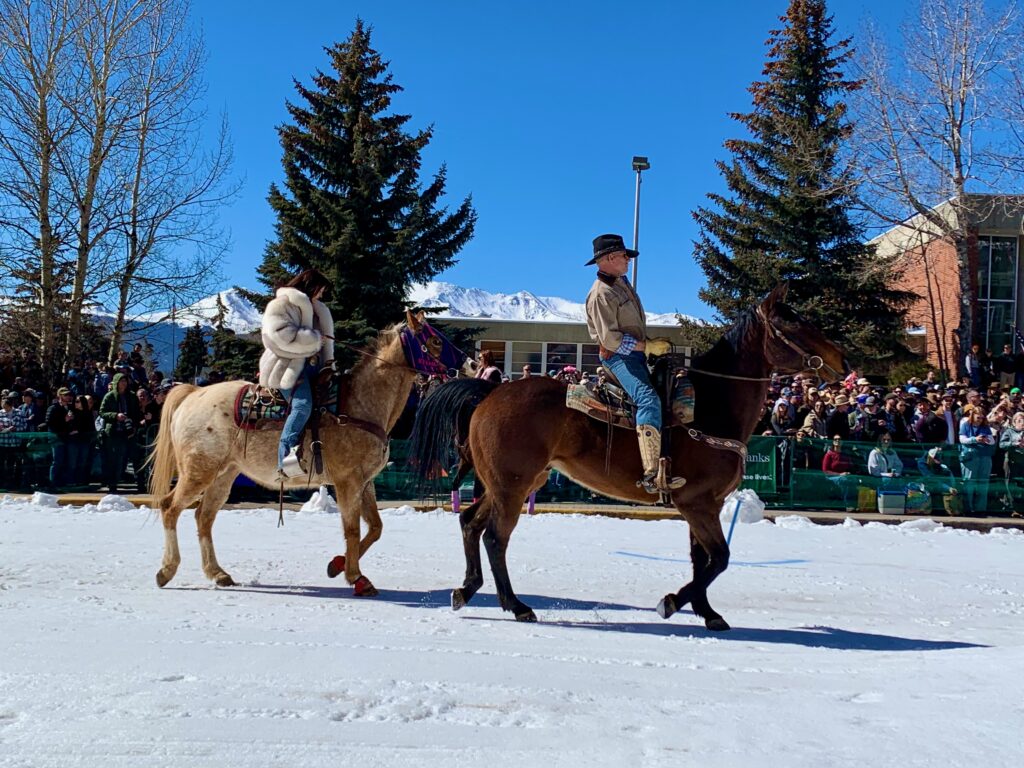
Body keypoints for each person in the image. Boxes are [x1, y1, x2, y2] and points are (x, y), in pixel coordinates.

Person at [584, 233, 680, 493]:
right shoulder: (601, 294)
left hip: (635, 355)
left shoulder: (620, 283)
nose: (628, 259)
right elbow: (610, 339)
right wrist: (646, 346)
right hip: (618, 358)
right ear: (610, 258)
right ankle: (651, 473)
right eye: (624, 255)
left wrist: (647, 346)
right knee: (648, 398)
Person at [258, 268, 335, 478]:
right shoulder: (281, 305)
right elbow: (275, 337)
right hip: (285, 368)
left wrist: (328, 361)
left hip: (315, 368)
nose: (321, 295)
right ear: (311, 287)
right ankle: (285, 461)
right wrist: (313, 339)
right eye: (320, 291)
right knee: (302, 407)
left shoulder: (318, 310)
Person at [99, 371, 143, 493]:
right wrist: (115, 415)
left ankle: (140, 484)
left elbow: (136, 413)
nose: (123, 384)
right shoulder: (109, 396)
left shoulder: (132, 396)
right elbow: (102, 412)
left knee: (136, 458)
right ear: (116, 383)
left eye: (125, 381)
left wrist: (134, 424)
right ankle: (112, 485)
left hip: (129, 431)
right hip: (114, 432)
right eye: (121, 381)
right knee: (114, 460)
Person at [959, 408, 996, 514]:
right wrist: (975, 439)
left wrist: (985, 440)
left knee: (983, 483)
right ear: (972, 415)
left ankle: (980, 509)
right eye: (978, 417)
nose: (980, 419)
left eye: (981, 417)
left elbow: (992, 441)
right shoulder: (965, 425)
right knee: (969, 482)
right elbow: (962, 439)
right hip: (970, 457)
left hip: (984, 457)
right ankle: (968, 508)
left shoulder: (985, 427)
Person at [45, 387, 78, 487]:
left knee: (65, 461)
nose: (68, 397)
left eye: (68, 395)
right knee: (57, 461)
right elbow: (49, 422)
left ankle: (63, 481)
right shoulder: (53, 408)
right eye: (65, 395)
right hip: (56, 438)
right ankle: (53, 482)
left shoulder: (69, 408)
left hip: (66, 438)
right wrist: (65, 420)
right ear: (60, 396)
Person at [822, 435, 859, 511]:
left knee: (853, 480)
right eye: (835, 439)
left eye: (839, 439)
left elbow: (851, 466)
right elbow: (825, 471)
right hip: (831, 476)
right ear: (833, 442)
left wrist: (849, 473)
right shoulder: (829, 455)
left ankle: (854, 503)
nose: (837, 441)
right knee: (844, 480)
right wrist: (839, 474)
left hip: (844, 475)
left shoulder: (845, 455)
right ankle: (847, 504)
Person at [999, 411, 1024, 516]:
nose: (1022, 423)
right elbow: (1002, 444)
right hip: (1011, 461)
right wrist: (1015, 444)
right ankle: (1013, 508)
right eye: (1019, 421)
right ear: (1014, 422)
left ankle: (1022, 508)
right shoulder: (1009, 431)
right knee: (1011, 485)